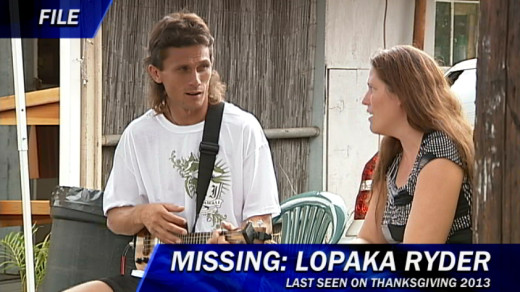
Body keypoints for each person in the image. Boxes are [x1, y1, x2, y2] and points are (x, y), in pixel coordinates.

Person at [66, 11, 280, 292]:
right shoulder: (138, 135)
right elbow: (116, 218)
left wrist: (232, 251)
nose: (197, 80)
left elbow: (262, 224)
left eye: (203, 67)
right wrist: (144, 215)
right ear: (156, 73)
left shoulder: (243, 129)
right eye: (183, 69)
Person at [354, 45, 474, 244]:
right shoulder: (395, 152)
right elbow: (368, 238)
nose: (365, 100)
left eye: (372, 89)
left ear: (401, 94)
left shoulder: (441, 155)